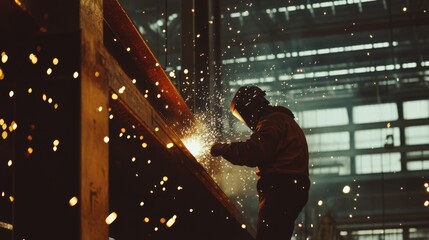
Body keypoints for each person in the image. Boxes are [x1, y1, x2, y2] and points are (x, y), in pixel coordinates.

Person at [210, 86, 310, 240]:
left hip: (281, 188)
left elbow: (252, 153)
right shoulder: (283, 120)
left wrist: (223, 149)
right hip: (291, 187)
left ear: (250, 107)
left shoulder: (272, 121)